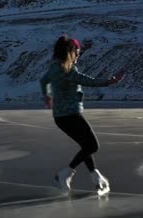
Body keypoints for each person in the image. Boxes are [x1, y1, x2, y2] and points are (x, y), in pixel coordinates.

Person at [40, 35, 125, 196]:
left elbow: (43, 81)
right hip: (71, 116)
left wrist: (47, 96)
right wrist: (110, 81)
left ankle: (95, 176)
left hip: (60, 118)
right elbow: (87, 80)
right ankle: (65, 174)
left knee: (85, 146)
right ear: (70, 53)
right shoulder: (68, 70)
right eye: (77, 53)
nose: (78, 56)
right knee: (92, 145)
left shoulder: (53, 67)